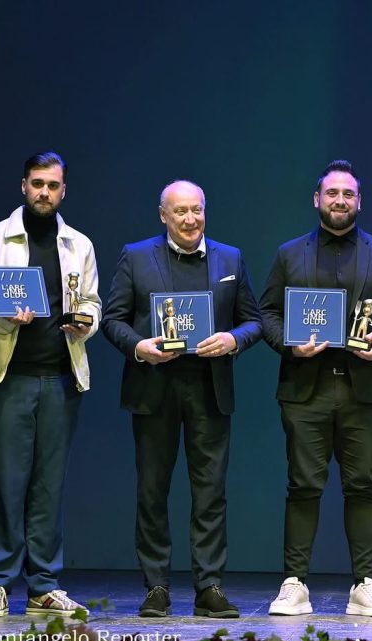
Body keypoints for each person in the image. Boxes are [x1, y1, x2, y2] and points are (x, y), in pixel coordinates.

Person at [102, 180, 262, 618]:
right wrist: (139, 347)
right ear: (163, 215)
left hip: (210, 388)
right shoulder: (136, 256)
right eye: (180, 212)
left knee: (210, 492)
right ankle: (156, 586)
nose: (190, 219)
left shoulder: (230, 258)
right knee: (152, 490)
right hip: (154, 386)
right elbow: (113, 319)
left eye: (197, 210)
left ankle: (209, 586)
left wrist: (233, 339)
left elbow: (253, 321)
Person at [259, 160, 372, 617]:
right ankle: (294, 584)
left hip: (363, 391)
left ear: (359, 201)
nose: (339, 200)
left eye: (347, 194)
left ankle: (365, 585)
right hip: (304, 390)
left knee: (363, 486)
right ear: (317, 199)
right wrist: (290, 344)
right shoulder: (289, 254)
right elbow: (267, 314)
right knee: (303, 486)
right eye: (332, 193)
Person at [0, 151, 100, 618]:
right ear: (23, 186)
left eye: (53, 185)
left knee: (48, 486)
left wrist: (85, 322)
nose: (44, 192)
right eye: (37, 183)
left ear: (63, 191)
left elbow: (92, 302)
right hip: (8, 377)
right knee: (6, 482)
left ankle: (44, 585)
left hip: (60, 378)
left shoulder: (78, 244)